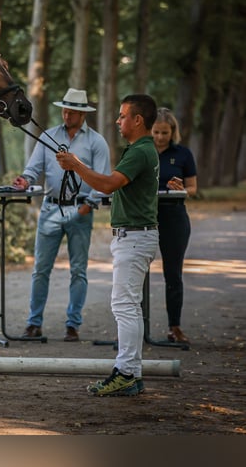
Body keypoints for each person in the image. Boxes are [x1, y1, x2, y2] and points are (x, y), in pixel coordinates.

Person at [56, 94, 159, 396]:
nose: (118, 121)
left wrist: (76, 165)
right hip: (136, 236)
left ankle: (125, 373)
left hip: (134, 237)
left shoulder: (140, 151)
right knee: (129, 307)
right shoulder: (141, 149)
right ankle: (132, 373)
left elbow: (107, 184)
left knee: (124, 306)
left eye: (123, 115)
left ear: (138, 120)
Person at [12, 88, 111, 342]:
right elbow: (33, 169)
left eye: (72, 111)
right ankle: (34, 323)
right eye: (64, 110)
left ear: (82, 113)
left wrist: (87, 206)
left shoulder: (96, 142)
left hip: (80, 209)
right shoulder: (48, 136)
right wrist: (24, 180)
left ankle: (73, 324)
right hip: (50, 208)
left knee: (78, 269)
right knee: (40, 269)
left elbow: (103, 178)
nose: (66, 115)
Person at [152, 107, 197, 344]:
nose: (160, 137)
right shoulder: (141, 151)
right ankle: (135, 328)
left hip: (174, 217)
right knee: (136, 274)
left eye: (165, 133)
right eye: (156, 132)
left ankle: (174, 327)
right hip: (146, 217)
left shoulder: (183, 154)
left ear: (173, 132)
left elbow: (193, 188)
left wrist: (181, 189)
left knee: (173, 274)